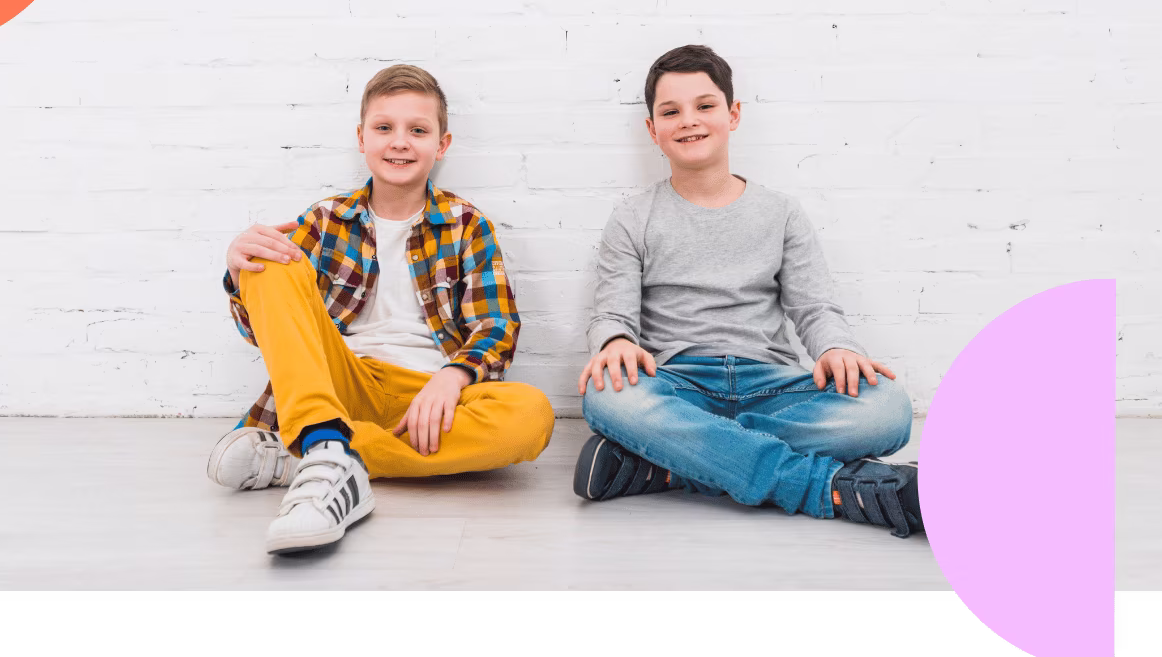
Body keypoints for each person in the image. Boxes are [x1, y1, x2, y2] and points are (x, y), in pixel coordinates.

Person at [573, 45, 923, 539]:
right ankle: (830, 488)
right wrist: (614, 343)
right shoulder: (633, 217)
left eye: (705, 106)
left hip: (773, 386)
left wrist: (837, 347)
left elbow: (816, 307)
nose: (688, 121)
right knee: (607, 397)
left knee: (888, 408)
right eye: (670, 112)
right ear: (653, 130)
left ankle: (676, 464)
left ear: (733, 115)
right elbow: (612, 314)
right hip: (678, 385)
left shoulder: (780, 213)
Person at [206, 64, 555, 554]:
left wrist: (451, 378)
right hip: (339, 380)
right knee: (270, 254)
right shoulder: (325, 220)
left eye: (418, 130)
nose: (400, 142)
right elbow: (263, 331)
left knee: (531, 414)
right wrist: (240, 272)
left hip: (429, 398)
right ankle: (326, 439)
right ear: (362, 138)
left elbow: (496, 327)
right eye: (384, 128)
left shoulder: (467, 224)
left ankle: (307, 455)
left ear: (442, 144)